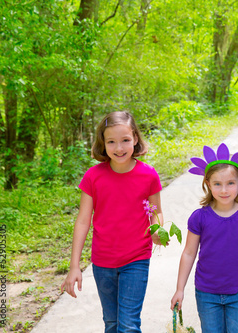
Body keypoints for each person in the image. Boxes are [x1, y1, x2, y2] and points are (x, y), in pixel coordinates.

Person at [61, 111, 165, 333]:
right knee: (112, 323)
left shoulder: (148, 175)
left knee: (128, 325)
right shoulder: (93, 177)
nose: (119, 148)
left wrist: (157, 229)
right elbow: (82, 222)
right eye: (111, 142)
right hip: (103, 261)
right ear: (103, 143)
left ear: (135, 139)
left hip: (136, 259)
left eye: (125, 140)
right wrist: (74, 266)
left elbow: (156, 211)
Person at [170, 143, 238, 333]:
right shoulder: (199, 217)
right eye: (217, 184)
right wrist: (179, 289)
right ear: (208, 184)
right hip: (207, 293)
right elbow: (189, 253)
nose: (224, 190)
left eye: (230, 183)